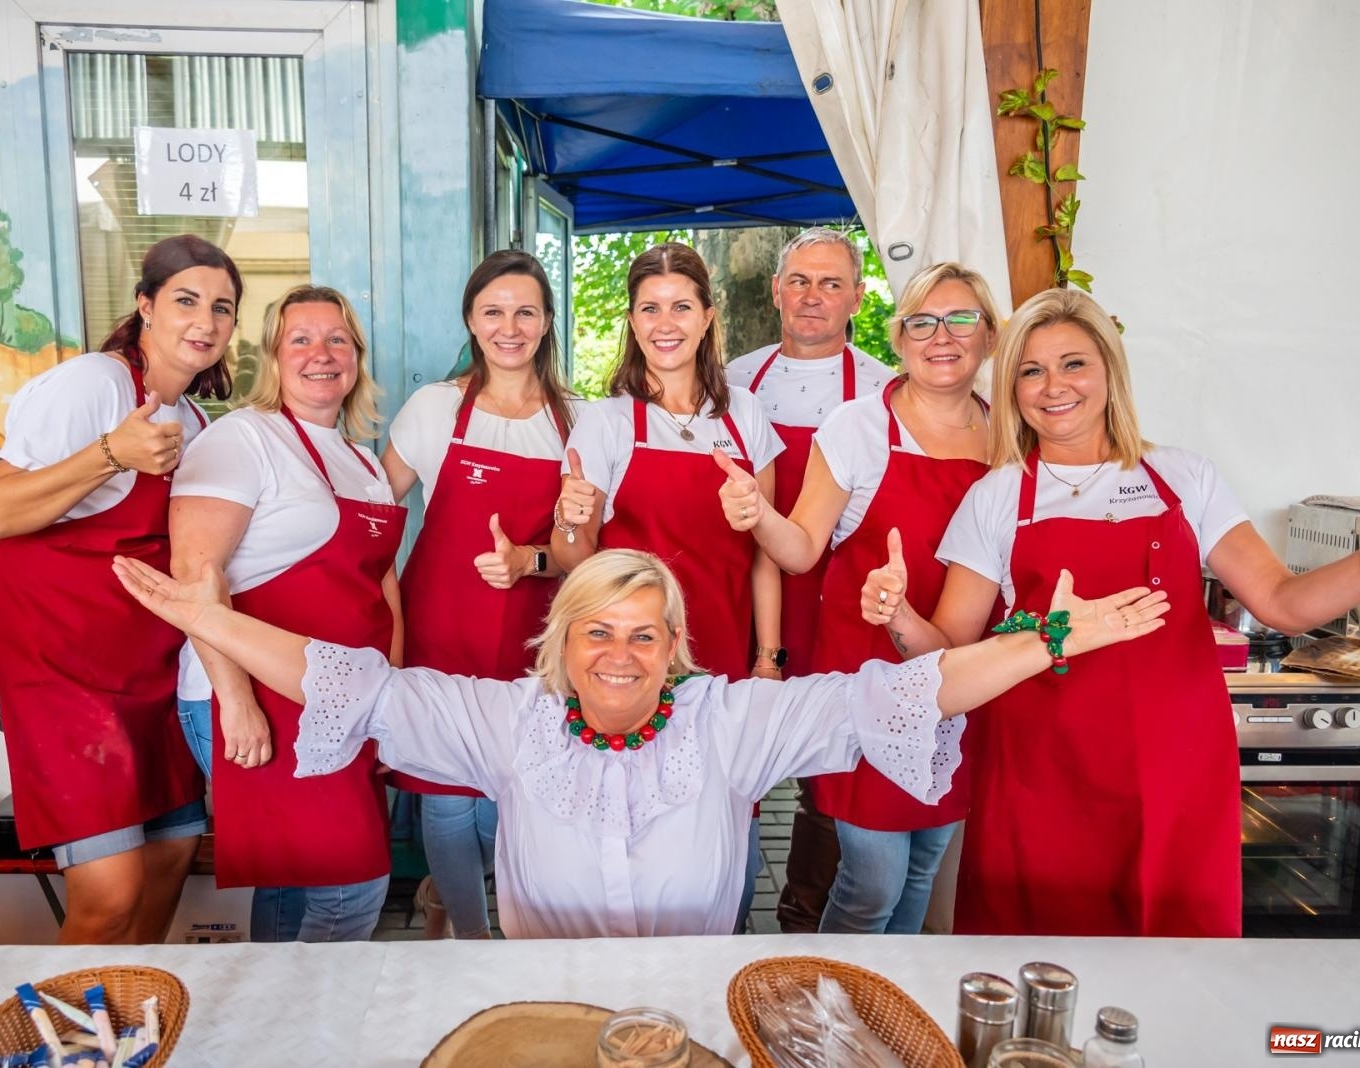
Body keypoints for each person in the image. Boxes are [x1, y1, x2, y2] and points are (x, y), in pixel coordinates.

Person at [113, 547, 1172, 939]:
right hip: (537, 1025)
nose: (619, 653)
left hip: (690, 1020)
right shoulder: (506, 720)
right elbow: (349, 681)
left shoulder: (731, 719)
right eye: (597, 630)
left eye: (643, 633)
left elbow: (907, 691)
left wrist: (1046, 639)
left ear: (674, 650)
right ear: (561, 644)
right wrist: (208, 621)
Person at [866, 286, 1360, 937]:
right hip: (1038, 774)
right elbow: (950, 654)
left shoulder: (1183, 477)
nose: (1053, 385)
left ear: (1110, 370)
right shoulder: (996, 497)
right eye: (1030, 369)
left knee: (1171, 958)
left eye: (1073, 363)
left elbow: (1284, 605)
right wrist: (899, 615)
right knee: (1032, 957)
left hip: (1172, 770)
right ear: (1014, 387)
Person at [720, 261, 1002, 935]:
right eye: (922, 322)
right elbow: (802, 549)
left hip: (965, 676)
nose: (942, 336)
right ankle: (828, 1022)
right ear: (898, 337)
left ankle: (888, 1026)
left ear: (990, 338)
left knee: (923, 871)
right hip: (868, 672)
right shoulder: (857, 425)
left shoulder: (1009, 435)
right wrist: (757, 511)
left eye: (961, 319)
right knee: (872, 883)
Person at [0, 234, 240, 944]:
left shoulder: (194, 421)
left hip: (146, 671)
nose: (204, 321)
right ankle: (61, 1048)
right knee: (110, 891)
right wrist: (108, 455)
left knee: (170, 859)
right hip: (56, 663)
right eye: (186, 300)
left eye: (222, 307)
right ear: (145, 306)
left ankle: (129, 1024)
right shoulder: (93, 383)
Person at [552, 241, 784, 930]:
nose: (666, 321)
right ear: (630, 320)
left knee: (727, 822)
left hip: (725, 655)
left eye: (681, 305)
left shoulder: (747, 416)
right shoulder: (607, 420)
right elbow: (577, 564)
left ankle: (724, 957)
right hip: (633, 665)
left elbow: (767, 552)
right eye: (649, 308)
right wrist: (568, 522)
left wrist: (768, 661)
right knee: (637, 820)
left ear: (709, 316)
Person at [169, 285, 404, 943]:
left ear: (357, 356)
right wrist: (236, 699)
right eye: (300, 339)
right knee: (350, 887)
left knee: (291, 880)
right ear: (272, 357)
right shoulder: (244, 439)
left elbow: (381, 582)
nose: (320, 354)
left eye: (337, 340)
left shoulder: (363, 461)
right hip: (258, 697)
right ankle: (318, 1033)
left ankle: (275, 1026)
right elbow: (194, 576)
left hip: (343, 697)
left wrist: (394, 693)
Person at [379, 250, 581, 940]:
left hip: (535, 632)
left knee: (506, 791)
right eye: (493, 311)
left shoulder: (576, 422)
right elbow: (375, 512)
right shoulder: (435, 408)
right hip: (440, 623)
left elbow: (580, 551)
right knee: (443, 795)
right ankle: (472, 935)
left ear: (547, 321)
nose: (510, 326)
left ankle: (447, 896)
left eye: (526, 311)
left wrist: (531, 560)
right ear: (471, 319)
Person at [723, 228, 892, 932]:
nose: (813, 296)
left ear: (857, 296)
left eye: (830, 283)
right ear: (775, 291)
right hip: (747, 595)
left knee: (830, 773)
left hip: (840, 603)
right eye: (799, 281)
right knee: (734, 759)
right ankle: (719, 910)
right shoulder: (735, 379)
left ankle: (803, 919)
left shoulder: (886, 389)